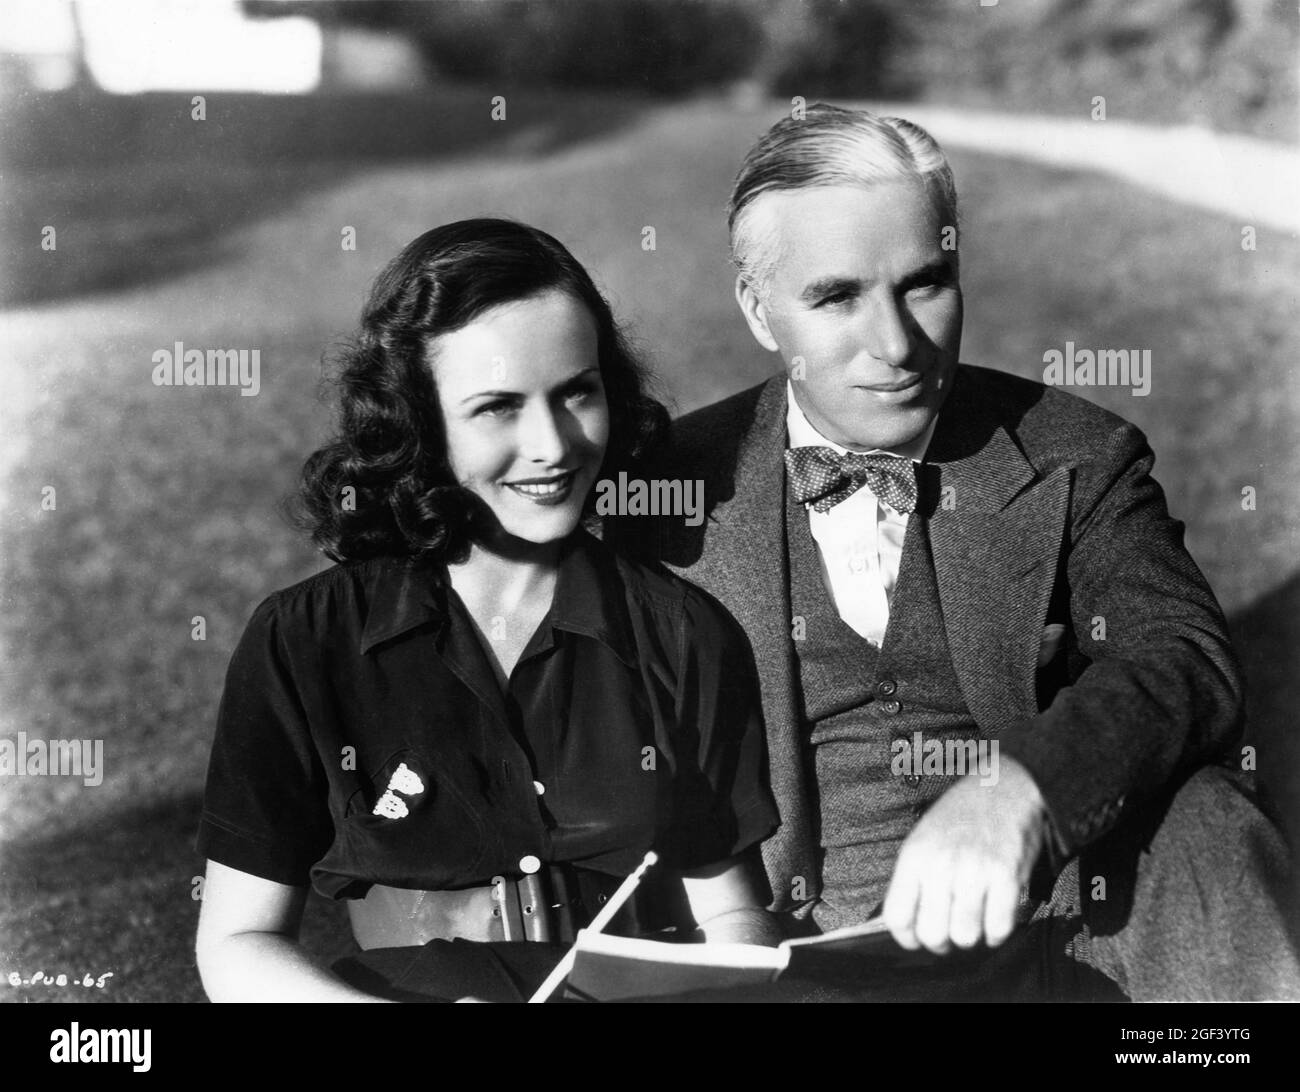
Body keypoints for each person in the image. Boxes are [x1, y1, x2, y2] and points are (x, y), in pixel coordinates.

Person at [612, 104, 1300, 1001]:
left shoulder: (1076, 454)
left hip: (1056, 937)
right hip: (804, 961)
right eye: (835, 296)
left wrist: (1028, 785)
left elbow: (1182, 658)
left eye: (924, 283)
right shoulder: (663, 496)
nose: (897, 346)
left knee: (1210, 825)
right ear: (758, 308)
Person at [194, 218, 780, 1003]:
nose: (552, 445)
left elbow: (732, 908)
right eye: (497, 408)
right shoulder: (303, 642)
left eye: (577, 392)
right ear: (419, 424)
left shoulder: (682, 633)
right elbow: (237, 941)